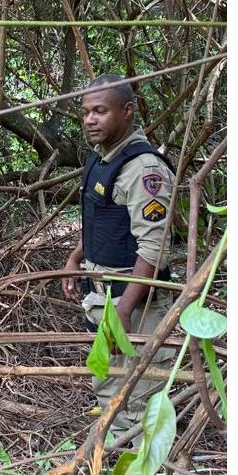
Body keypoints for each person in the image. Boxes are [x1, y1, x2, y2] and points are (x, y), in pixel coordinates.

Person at [60, 74, 177, 442]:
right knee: (109, 388)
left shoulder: (145, 171)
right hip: (103, 299)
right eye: (86, 112)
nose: (90, 120)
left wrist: (125, 308)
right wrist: (75, 257)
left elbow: (154, 247)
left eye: (100, 111)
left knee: (139, 399)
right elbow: (104, 221)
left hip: (136, 307)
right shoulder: (101, 161)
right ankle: (110, 468)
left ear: (127, 112)